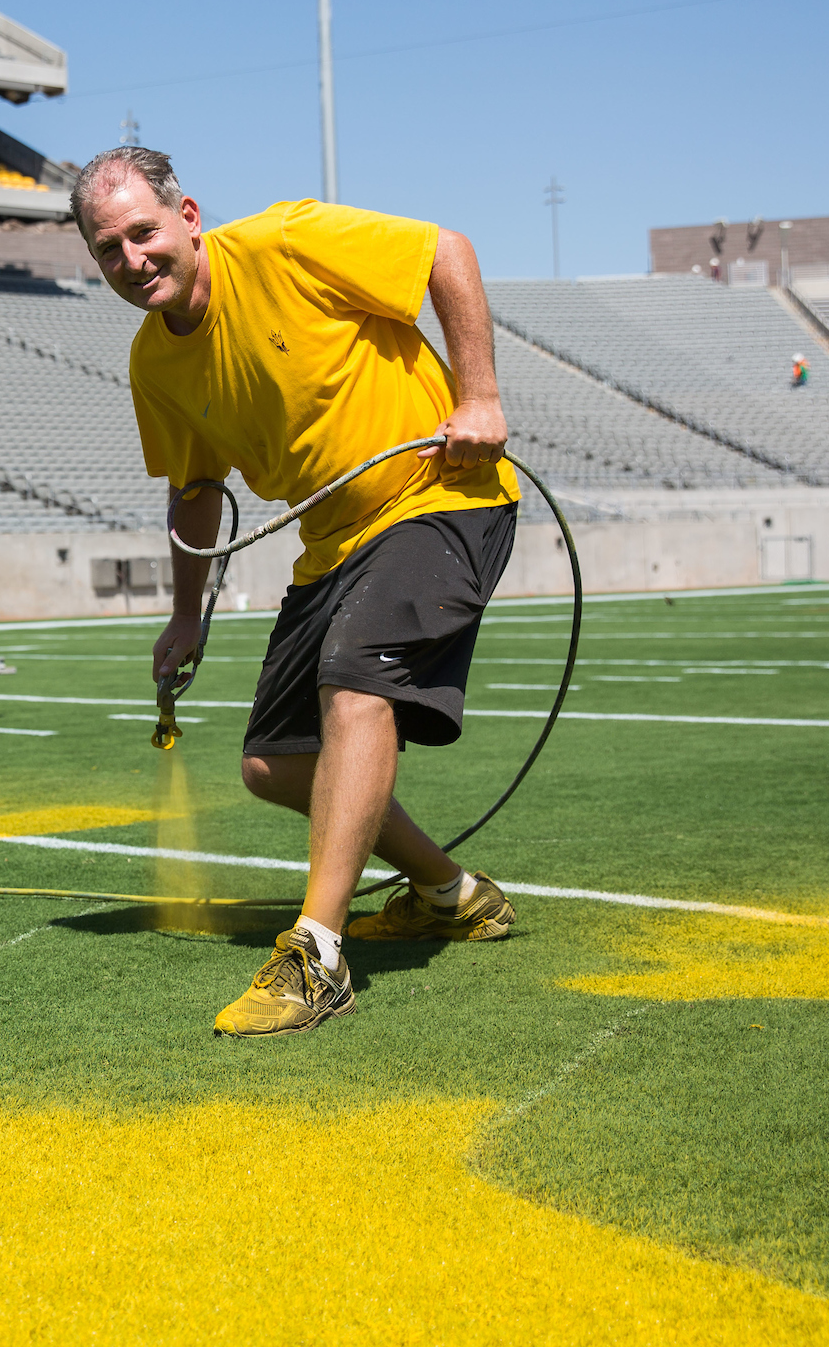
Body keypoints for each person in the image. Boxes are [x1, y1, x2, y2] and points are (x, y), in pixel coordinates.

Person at [74, 146, 521, 1038]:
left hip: (439, 498)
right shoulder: (151, 364)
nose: (133, 261)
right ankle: (451, 893)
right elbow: (196, 488)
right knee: (273, 766)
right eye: (108, 250)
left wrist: (480, 396)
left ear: (187, 216)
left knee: (355, 684)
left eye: (143, 233)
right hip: (331, 546)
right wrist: (185, 615)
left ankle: (317, 953)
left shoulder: (284, 241)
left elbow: (448, 252)